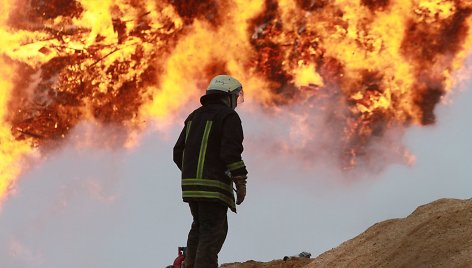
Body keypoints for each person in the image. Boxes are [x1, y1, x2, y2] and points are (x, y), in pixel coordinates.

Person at [173, 74, 248, 268]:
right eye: (236, 97)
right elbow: (231, 152)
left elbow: (177, 152)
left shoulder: (194, 116)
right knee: (213, 232)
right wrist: (240, 181)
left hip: (191, 189)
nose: (236, 103)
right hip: (212, 188)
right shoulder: (228, 116)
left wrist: (193, 174)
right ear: (227, 95)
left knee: (198, 228)